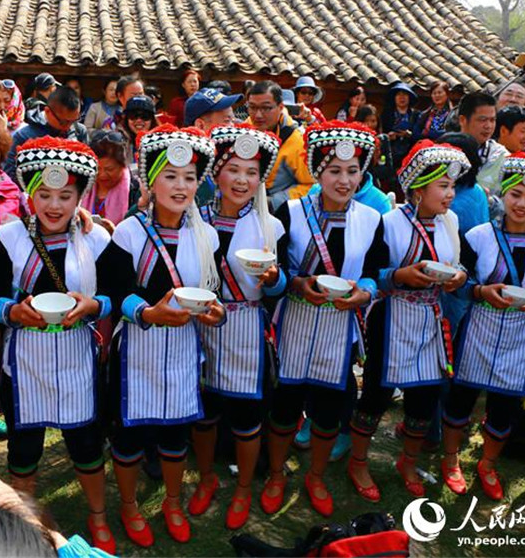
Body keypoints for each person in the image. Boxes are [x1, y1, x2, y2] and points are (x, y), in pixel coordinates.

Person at [96, 125, 225, 546]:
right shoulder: (129, 232)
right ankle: (129, 505)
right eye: (170, 176)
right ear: (151, 181)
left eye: (189, 177)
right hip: (137, 350)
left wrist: (216, 313)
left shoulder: (207, 235)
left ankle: (172, 501)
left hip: (184, 350)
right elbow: (115, 292)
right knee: (129, 436)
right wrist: (149, 312)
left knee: (175, 434)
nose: (180, 186)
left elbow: (214, 290)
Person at [0, 137, 115, 553]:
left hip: (77, 355)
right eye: (44, 195)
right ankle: (24, 525)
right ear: (29, 193)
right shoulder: (8, 239)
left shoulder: (96, 239)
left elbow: (116, 291)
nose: (54, 206)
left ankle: (98, 516)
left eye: (65, 196)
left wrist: (95, 305)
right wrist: (13, 311)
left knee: (86, 443)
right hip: (26, 360)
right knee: (24, 448)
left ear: (80, 197)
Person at [262, 121, 386, 517]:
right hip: (295, 324)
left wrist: (365, 292)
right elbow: (276, 268)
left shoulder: (371, 219)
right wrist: (298, 283)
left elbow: (374, 270)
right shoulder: (291, 212)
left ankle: (315, 476)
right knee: (285, 405)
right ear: (317, 171)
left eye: (352, 171)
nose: (344, 180)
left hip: (338, 327)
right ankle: (276, 474)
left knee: (330, 408)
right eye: (334, 171)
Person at [348, 141, 469, 502]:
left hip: (430, 316)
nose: (450, 194)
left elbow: (459, 264)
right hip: (392, 314)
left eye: (452, 186)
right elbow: (373, 272)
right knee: (376, 392)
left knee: (425, 394)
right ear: (418, 189)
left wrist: (458, 278)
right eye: (442, 186)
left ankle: (409, 461)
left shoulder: (450, 222)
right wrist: (400, 275)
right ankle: (358, 461)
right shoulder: (389, 223)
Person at [443, 154, 525, 500]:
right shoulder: (479, 236)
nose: (522, 204)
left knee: (506, 404)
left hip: (518, 333)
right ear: (504, 194)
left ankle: (488, 463)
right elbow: (460, 283)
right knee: (461, 397)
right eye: (516, 194)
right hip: (479, 327)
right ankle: (450, 459)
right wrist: (481, 291)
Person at [188, 125, 285, 529]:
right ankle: (206, 477)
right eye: (233, 169)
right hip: (201, 325)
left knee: (247, 416)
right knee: (204, 412)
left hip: (246, 327)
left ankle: (244, 487)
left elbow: (280, 285)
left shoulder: (270, 226)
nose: (242, 180)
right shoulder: (194, 220)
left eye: (251, 172)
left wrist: (274, 279)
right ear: (216, 173)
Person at [246, 81, 311, 211]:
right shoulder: (244, 129)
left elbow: (310, 186)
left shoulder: (296, 140)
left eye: (266, 108)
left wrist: (274, 202)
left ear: (281, 107)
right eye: (252, 107)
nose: (258, 115)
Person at [7, 87, 88, 175]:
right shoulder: (23, 137)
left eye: (74, 121)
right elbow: (9, 172)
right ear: (47, 111)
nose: (69, 127)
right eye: (64, 122)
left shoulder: (79, 131)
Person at [82, 130, 143, 225]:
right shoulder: (82, 187)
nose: (102, 174)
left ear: (123, 166)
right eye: (97, 169)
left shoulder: (135, 192)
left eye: (109, 169)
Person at [457, 91, 504, 194]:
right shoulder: (446, 150)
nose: (488, 126)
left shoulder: (501, 156)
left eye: (492, 120)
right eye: (482, 120)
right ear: (462, 120)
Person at [381, 82, 420, 166]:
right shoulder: (387, 114)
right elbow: (381, 132)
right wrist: (389, 136)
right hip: (391, 151)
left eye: (405, 94)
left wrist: (409, 134)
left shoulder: (416, 115)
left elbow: (420, 135)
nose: (402, 97)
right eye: (398, 94)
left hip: (410, 151)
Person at [117, 96, 159, 166]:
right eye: (133, 116)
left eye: (145, 116)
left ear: (152, 120)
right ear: (126, 119)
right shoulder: (117, 141)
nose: (139, 120)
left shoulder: (161, 141)